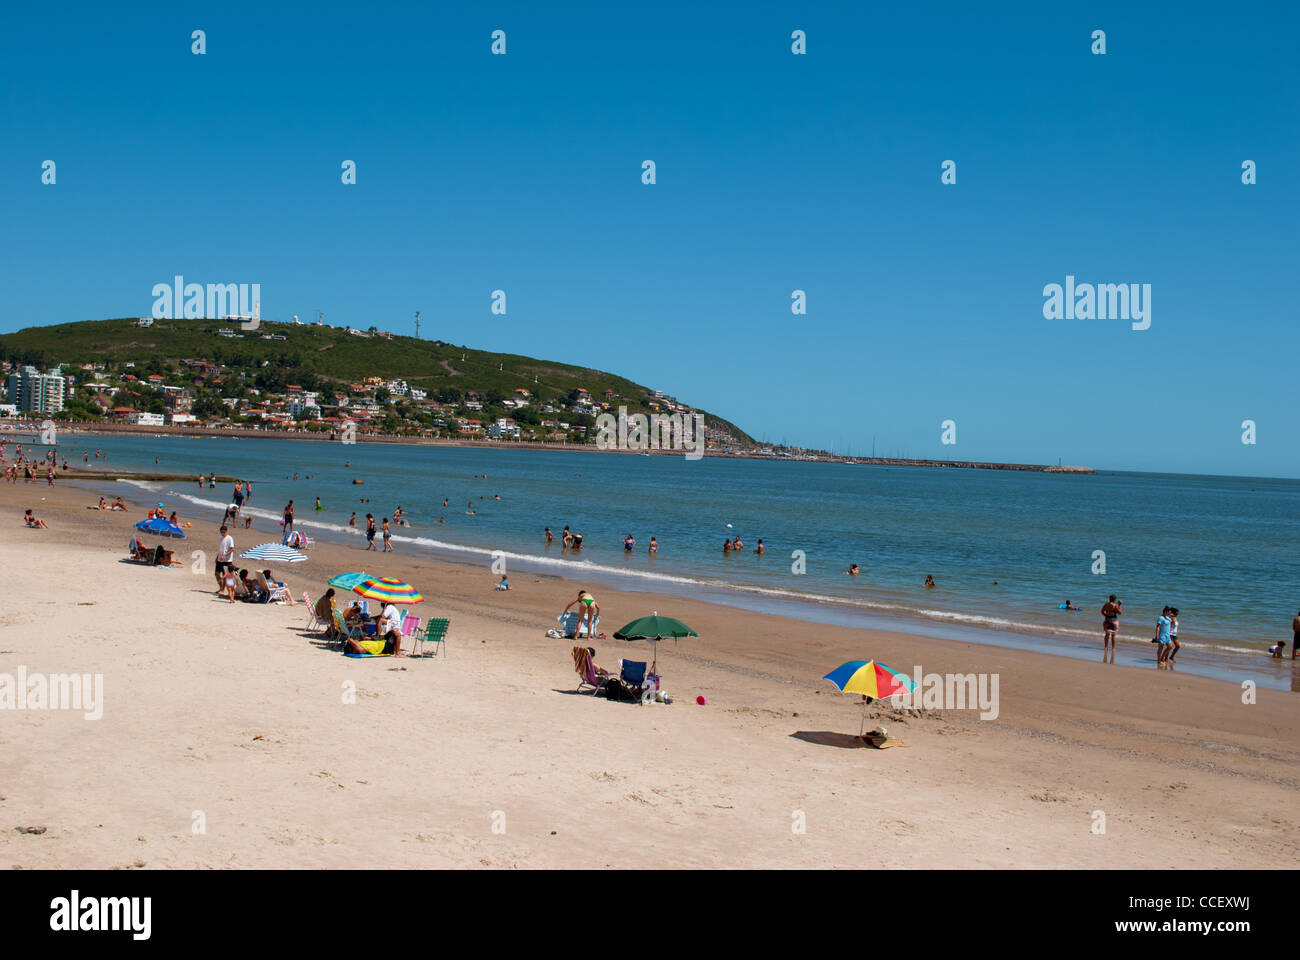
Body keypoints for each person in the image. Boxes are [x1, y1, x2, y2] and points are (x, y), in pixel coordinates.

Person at [1101, 595, 1121, 662]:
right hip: (1113, 620)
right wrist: (1119, 605)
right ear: (1115, 600)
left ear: (1109, 599)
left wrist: (1106, 615)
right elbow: (1120, 612)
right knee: (1113, 635)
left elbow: (1102, 611)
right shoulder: (1115, 605)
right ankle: (1113, 648)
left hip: (1107, 619)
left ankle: (1106, 647)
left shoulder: (1106, 604)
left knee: (1107, 634)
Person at [215, 525, 235, 593]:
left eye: (224, 532)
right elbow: (220, 549)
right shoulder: (221, 538)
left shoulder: (230, 538)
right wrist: (217, 557)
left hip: (227, 560)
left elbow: (232, 549)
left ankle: (223, 590)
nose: (222, 533)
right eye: (221, 532)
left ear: (226, 531)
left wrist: (225, 555)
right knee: (217, 573)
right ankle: (220, 587)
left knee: (225, 575)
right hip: (220, 559)